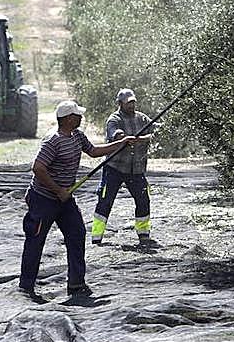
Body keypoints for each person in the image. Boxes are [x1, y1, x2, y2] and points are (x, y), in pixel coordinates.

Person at [18, 100, 140, 299]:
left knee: (77, 234)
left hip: (65, 200)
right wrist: (58, 190)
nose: (81, 118)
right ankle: (26, 286)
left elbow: (93, 152)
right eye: (77, 115)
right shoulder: (53, 141)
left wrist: (122, 143)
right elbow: (38, 168)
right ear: (67, 119)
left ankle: (76, 283)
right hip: (43, 199)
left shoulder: (77, 136)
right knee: (36, 240)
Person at [91, 88, 154, 248]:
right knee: (105, 201)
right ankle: (96, 237)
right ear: (120, 104)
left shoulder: (142, 118)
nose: (131, 106)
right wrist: (124, 139)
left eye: (133, 102)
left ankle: (143, 234)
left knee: (143, 200)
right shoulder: (114, 119)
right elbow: (116, 134)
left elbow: (155, 132)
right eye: (128, 103)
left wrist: (140, 139)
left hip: (136, 170)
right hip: (114, 168)